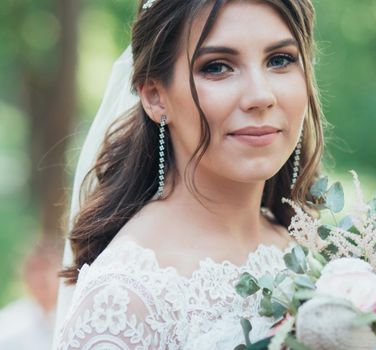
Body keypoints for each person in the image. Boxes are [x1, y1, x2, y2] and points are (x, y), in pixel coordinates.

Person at [53, 0, 325, 348]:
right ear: (155, 97)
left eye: (279, 60)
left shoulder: (306, 253)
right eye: (217, 67)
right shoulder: (124, 299)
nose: (261, 96)